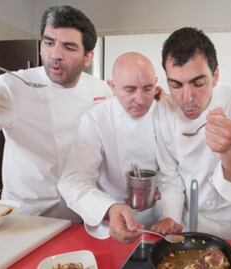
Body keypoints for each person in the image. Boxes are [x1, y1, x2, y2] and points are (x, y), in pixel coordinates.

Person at [0, 6, 112, 221]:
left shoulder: (102, 90)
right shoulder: (11, 86)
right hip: (26, 217)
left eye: (69, 47)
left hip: (82, 215)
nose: (55, 55)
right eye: (49, 42)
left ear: (88, 56)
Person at [151, 27, 231, 240]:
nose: (187, 97)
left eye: (198, 83)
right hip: (184, 214)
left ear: (215, 75)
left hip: (230, 220)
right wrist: (171, 217)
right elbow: (169, 173)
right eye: (176, 85)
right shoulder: (163, 109)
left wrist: (228, 149)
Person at [58, 52, 161, 242]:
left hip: (161, 224)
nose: (140, 99)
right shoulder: (97, 119)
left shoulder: (166, 112)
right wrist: (109, 209)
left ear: (156, 83)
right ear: (112, 86)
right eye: (129, 90)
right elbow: (72, 180)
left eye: (148, 88)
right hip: (110, 224)